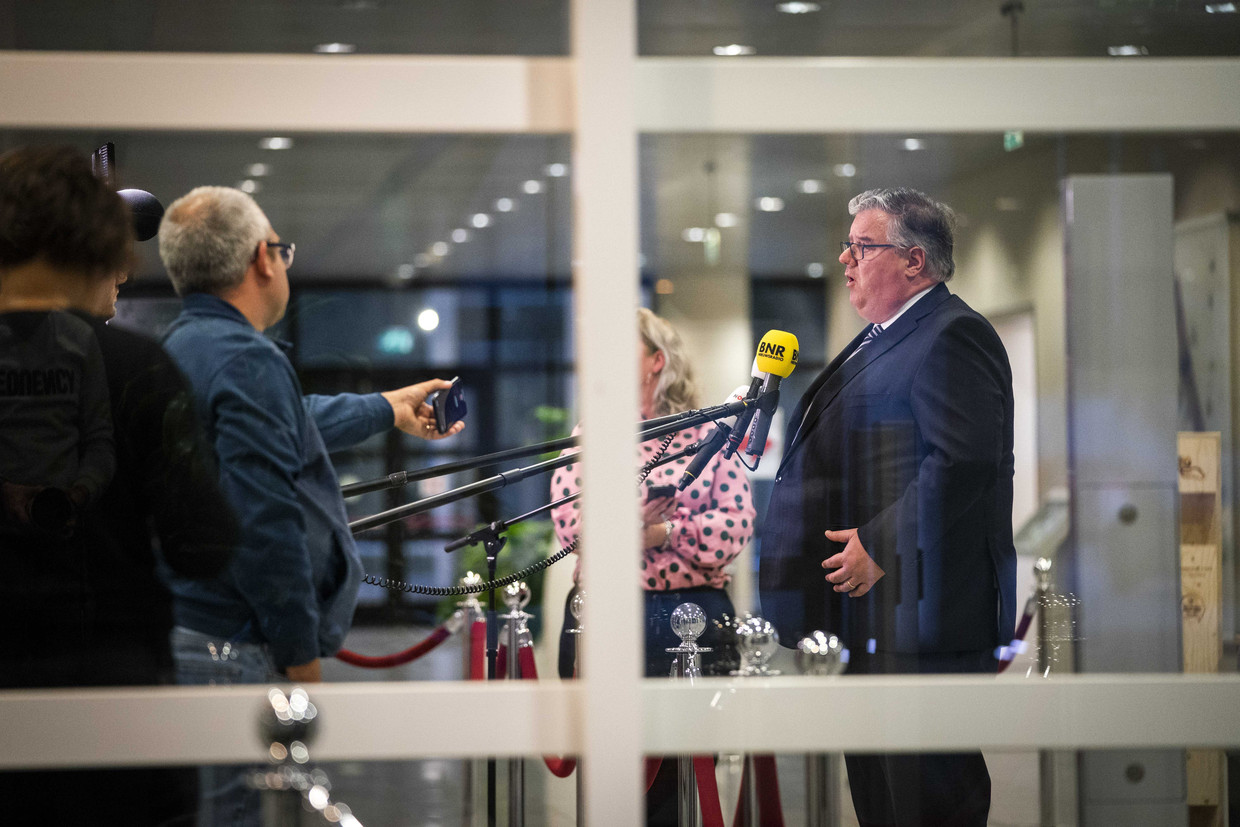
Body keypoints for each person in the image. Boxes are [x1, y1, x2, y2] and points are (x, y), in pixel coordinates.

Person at [156, 185, 464, 826]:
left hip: (187, 635)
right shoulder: (246, 361)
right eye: (283, 250)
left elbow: (287, 421)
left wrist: (385, 408)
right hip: (235, 649)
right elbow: (266, 531)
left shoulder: (177, 351)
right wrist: (302, 660)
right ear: (261, 259)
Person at [758, 188, 1016, 827]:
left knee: (927, 805)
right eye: (846, 246)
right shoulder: (885, 336)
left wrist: (879, 543)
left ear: (914, 261)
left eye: (862, 246)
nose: (845, 260)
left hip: (924, 620)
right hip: (875, 620)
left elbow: (962, 461)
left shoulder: (954, 334)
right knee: (881, 803)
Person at [0, 144, 237, 824]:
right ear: (88, 244)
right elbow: (204, 545)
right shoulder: (136, 365)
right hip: (116, 704)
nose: (126, 270)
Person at [551, 309, 756, 824]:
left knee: (681, 788)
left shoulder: (709, 433)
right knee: (609, 785)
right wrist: (634, 521)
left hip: (694, 615)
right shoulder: (589, 435)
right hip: (605, 614)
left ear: (656, 361)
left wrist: (663, 533)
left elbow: (734, 528)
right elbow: (571, 526)